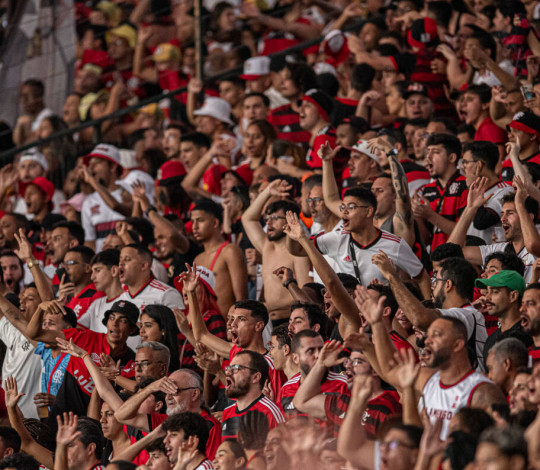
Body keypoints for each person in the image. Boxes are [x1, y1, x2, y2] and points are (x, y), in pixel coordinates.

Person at [242, 180, 311, 320]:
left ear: (290, 220)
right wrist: (267, 192)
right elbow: (247, 218)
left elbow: (306, 295)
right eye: (267, 218)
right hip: (268, 321)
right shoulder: (267, 246)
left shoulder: (298, 251)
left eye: (274, 218)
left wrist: (268, 306)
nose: (268, 223)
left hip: (289, 320)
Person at [191, 200, 248, 316]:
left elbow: (241, 299)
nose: (194, 227)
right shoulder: (197, 259)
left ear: (215, 223)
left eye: (200, 220)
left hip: (226, 328)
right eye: (192, 222)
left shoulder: (230, 251)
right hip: (205, 329)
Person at [415, 133, 468, 250]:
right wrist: (417, 215)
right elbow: (426, 239)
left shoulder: (466, 186)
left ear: (452, 158)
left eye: (435, 152)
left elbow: (465, 233)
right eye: (427, 151)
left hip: (460, 260)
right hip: (435, 259)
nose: (428, 157)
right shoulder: (428, 189)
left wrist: (430, 215)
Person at [281, 330, 349, 416]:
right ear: (295, 358)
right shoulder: (286, 389)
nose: (318, 355)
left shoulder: (343, 384)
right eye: (310, 351)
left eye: (321, 349)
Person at [221, 350, 285, 440]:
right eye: (228, 368)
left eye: (235, 368)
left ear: (255, 377)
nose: (227, 373)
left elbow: (284, 451)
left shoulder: (269, 413)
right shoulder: (227, 412)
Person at [460, 141, 514, 244]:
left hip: (489, 257)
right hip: (470, 255)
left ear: (479, 165)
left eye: (465, 162)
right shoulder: (472, 191)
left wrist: (474, 190)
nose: (462, 167)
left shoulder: (505, 191)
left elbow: (481, 222)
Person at [80, 144, 125, 251]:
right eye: (90, 165)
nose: (91, 169)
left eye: (97, 163)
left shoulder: (128, 193)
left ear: (113, 167)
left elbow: (115, 206)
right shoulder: (88, 202)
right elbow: (90, 243)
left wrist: (92, 181)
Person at [116, 244, 184, 315]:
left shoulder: (167, 294)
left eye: (127, 259)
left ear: (143, 266)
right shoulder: (120, 298)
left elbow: (179, 325)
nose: (121, 263)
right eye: (120, 260)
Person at [475, 270, 527, 362]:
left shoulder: (529, 337)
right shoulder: (491, 339)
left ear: (513, 296)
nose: (487, 297)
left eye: (495, 292)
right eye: (487, 291)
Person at [78, 249, 123, 333]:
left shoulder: (130, 300)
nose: (92, 277)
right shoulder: (96, 304)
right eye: (92, 272)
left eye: (97, 270)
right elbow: (75, 328)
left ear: (114, 271)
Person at [60, 246, 102, 320]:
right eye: (64, 263)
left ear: (87, 268)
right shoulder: (67, 300)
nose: (65, 268)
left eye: (70, 263)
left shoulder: (96, 294)